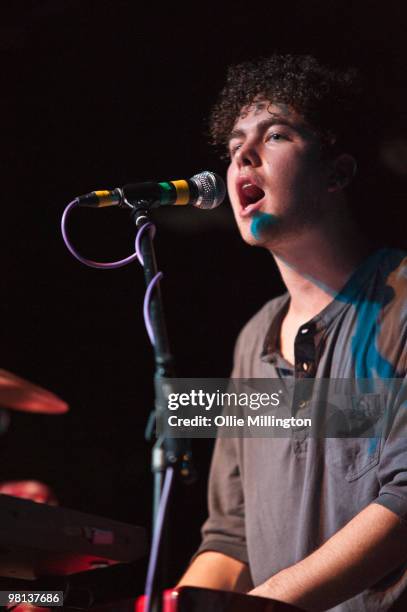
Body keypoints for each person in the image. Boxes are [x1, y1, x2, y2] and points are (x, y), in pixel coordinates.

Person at [177, 55, 407, 611]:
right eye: (234, 148)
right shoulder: (252, 339)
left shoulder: (399, 304)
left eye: (274, 135)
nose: (243, 158)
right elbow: (230, 535)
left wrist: (267, 602)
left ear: (338, 173)